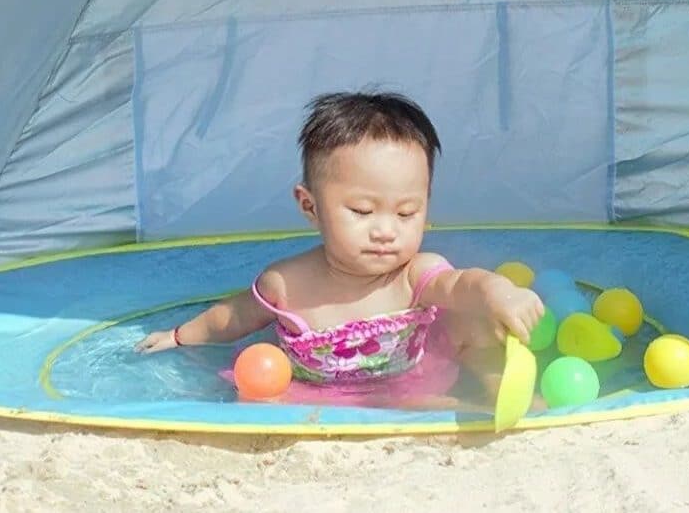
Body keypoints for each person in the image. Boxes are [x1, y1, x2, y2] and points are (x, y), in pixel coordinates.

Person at [136, 91, 544, 407]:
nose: (386, 231)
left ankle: (497, 387)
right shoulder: (286, 284)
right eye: (363, 211)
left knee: (472, 324)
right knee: (262, 395)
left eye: (407, 213)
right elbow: (234, 316)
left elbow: (463, 285)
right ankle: (448, 407)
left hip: (410, 376)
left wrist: (500, 293)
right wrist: (179, 336)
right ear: (309, 206)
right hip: (316, 392)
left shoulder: (415, 274)